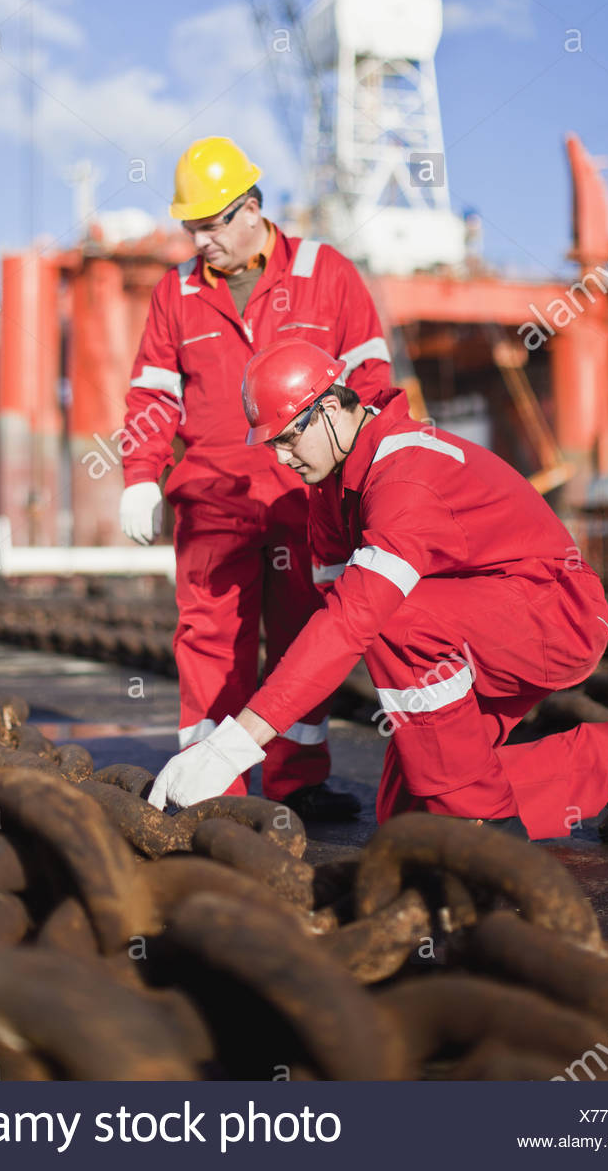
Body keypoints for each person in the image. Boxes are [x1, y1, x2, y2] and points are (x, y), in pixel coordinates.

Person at [148, 339, 608, 844]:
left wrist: (233, 746)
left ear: (327, 409)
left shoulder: (406, 477)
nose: (281, 459)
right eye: (271, 445)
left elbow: (355, 619)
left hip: (555, 616)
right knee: (408, 818)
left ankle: (486, 823)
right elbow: (331, 617)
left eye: (287, 439)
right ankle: (606, 762)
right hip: (472, 627)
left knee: (392, 618)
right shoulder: (328, 491)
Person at [119, 139, 392, 821]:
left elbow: (370, 385)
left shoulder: (326, 273)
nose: (202, 242)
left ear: (252, 208)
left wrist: (368, 479)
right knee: (210, 641)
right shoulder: (176, 293)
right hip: (213, 498)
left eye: (213, 225)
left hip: (306, 498)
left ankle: (297, 777)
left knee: (305, 636)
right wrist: (140, 475)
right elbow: (152, 395)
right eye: (192, 228)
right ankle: (215, 784)